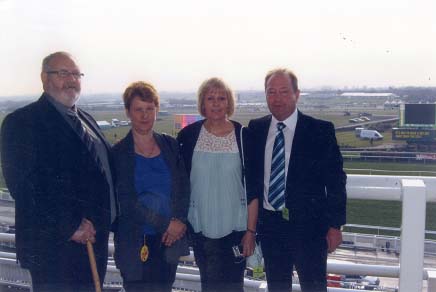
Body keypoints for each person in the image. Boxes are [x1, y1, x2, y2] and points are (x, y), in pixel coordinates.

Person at [0, 51, 116, 292]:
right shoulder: (23, 122)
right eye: (63, 73)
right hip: (56, 249)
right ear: (44, 78)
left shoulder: (86, 119)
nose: (71, 80)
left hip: (94, 245)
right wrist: (70, 225)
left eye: (76, 74)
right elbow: (24, 186)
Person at [248, 68, 347, 292]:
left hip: (310, 229)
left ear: (297, 94)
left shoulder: (319, 130)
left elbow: (335, 181)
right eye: (271, 92)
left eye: (284, 91)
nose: (277, 98)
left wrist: (335, 225)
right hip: (271, 228)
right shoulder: (256, 129)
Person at [177, 77, 258, 292]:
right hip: (201, 228)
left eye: (221, 98)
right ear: (202, 103)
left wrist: (251, 231)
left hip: (236, 230)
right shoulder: (188, 136)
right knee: (209, 284)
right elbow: (181, 183)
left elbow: (253, 189)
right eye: (210, 98)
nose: (215, 103)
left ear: (229, 103)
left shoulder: (244, 136)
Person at [112, 81, 190, 292]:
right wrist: (166, 224)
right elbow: (126, 202)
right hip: (135, 242)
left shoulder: (170, 145)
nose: (144, 115)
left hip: (169, 241)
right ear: (128, 112)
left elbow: (183, 188)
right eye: (138, 109)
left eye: (149, 109)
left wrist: (179, 222)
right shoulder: (118, 153)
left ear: (156, 110)